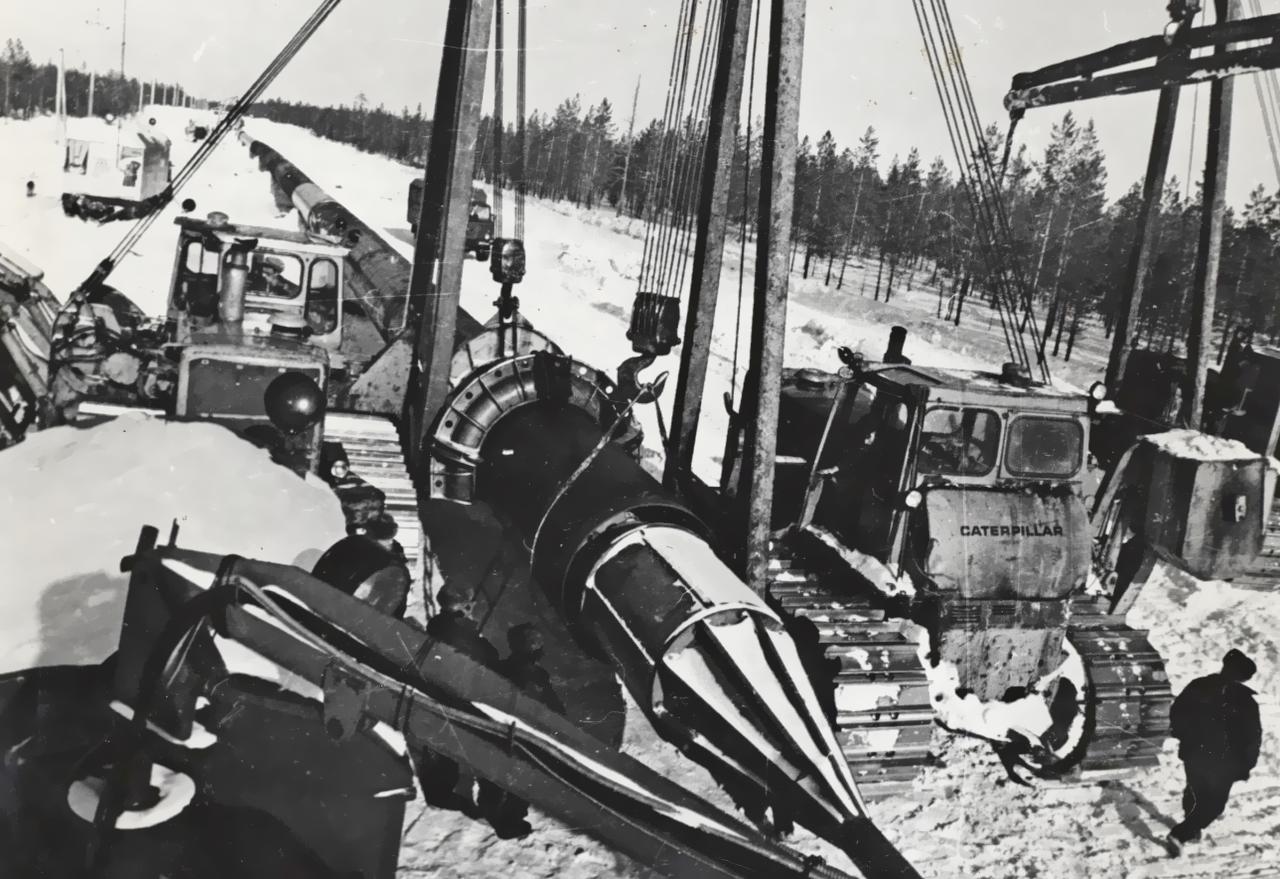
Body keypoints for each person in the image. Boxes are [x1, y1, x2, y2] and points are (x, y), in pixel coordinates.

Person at [1164, 649, 1262, 857]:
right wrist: (1247, 763)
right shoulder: (1244, 700)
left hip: (1199, 754)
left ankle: (1191, 826)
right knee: (1214, 803)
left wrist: (1185, 737)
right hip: (1220, 760)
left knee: (1196, 792)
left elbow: (1177, 713)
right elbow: (1252, 736)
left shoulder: (1200, 686)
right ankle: (1181, 833)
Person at [415, 582, 500, 812]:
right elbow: (490, 657)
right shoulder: (463, 632)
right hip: (462, 696)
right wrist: (470, 625)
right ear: (462, 606)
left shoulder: (436, 624)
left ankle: (437, 793)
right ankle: (487, 803)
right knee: (483, 747)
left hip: (437, 691)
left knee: (440, 743)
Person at [476, 623, 565, 839]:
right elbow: (553, 711)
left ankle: (492, 810)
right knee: (521, 782)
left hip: (493, 731)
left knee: (491, 778)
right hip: (519, 737)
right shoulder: (536, 675)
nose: (540, 647)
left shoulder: (497, 667)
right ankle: (509, 824)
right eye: (537, 644)